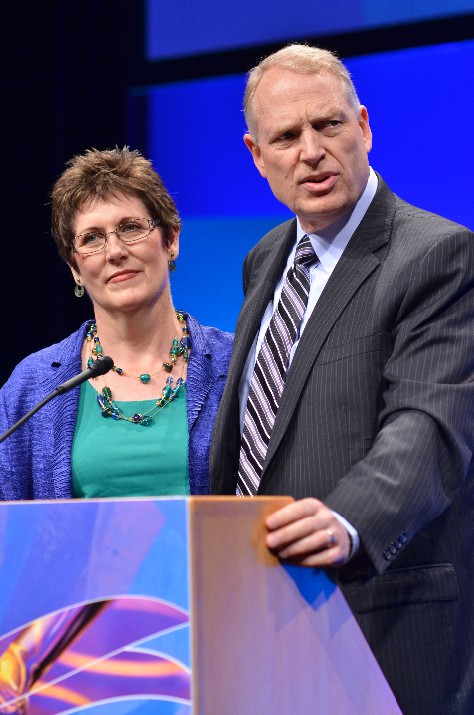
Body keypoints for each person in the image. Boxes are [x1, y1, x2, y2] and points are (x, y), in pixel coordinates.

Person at [210, 43, 474, 715]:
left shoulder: (437, 255)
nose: (311, 150)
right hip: (262, 622)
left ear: (363, 125)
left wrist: (348, 519)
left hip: (380, 623)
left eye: (328, 125)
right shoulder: (265, 258)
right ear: (256, 154)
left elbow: (429, 426)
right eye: (287, 136)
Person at [0, 146, 233, 499]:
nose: (115, 251)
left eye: (131, 227)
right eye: (92, 238)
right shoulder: (33, 387)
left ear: (170, 240)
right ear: (75, 268)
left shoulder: (237, 363)